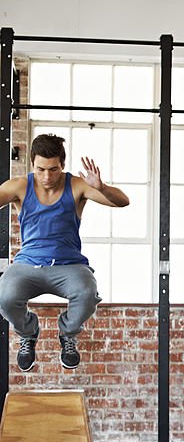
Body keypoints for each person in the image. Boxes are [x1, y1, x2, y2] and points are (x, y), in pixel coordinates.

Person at [0, 134, 129, 371]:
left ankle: (68, 334)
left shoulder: (76, 185)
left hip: (69, 266)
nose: (47, 177)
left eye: (54, 169)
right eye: (41, 169)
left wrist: (102, 187)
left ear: (62, 164)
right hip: (28, 265)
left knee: (87, 292)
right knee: (4, 296)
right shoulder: (20, 185)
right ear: (32, 164)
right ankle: (28, 333)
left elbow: (122, 201)